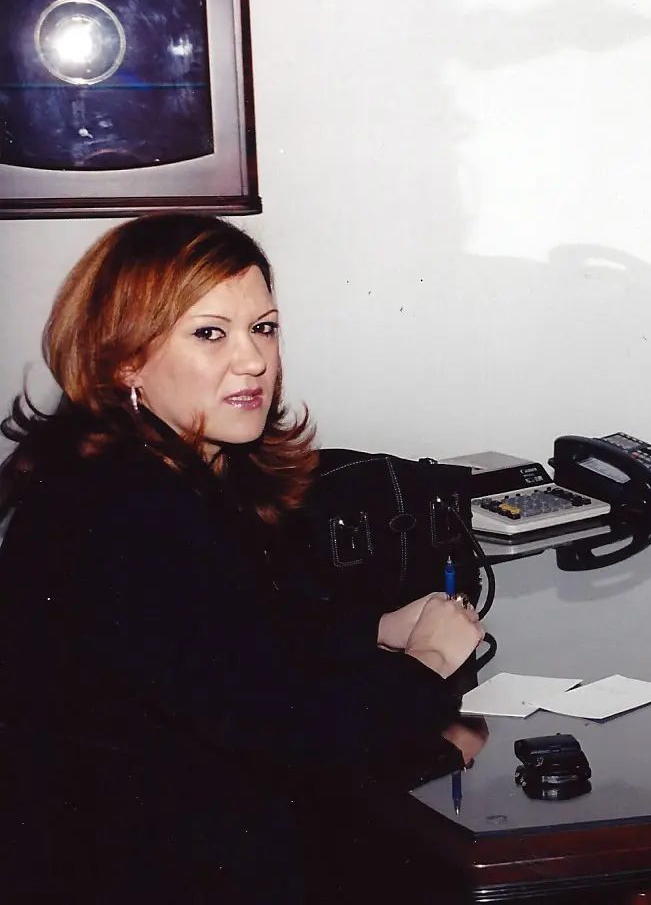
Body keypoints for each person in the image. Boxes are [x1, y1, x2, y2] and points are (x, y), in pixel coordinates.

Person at [0, 215, 487, 902]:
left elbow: (225, 644)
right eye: (210, 333)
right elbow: (283, 729)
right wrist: (426, 666)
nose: (253, 359)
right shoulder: (122, 509)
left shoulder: (164, 472)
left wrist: (373, 629)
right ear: (123, 359)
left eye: (264, 327)